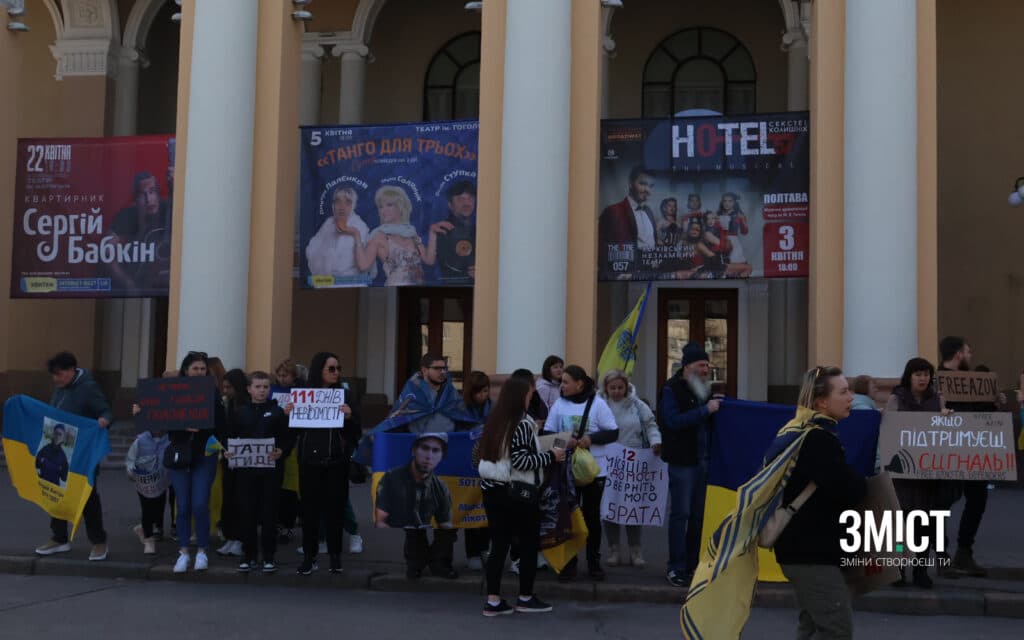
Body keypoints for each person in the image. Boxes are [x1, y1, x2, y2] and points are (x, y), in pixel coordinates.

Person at [770, 366, 867, 640]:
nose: (851, 397)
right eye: (844, 391)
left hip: (806, 550)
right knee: (837, 630)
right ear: (821, 402)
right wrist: (862, 483)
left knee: (811, 628)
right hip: (811, 554)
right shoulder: (817, 439)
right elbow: (846, 488)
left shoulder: (806, 432)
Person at [477, 376, 565, 616]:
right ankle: (525, 597)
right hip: (518, 491)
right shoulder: (522, 423)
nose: (532, 397)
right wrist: (552, 455)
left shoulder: (495, 420)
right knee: (527, 546)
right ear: (521, 397)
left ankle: (493, 601)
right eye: (529, 394)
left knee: (499, 545)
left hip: (492, 489)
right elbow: (522, 461)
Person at [884, 357, 961, 589]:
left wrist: (947, 417)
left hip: (928, 475)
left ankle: (920, 569)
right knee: (900, 525)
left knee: (925, 526)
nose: (923, 378)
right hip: (903, 477)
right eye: (918, 374)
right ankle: (897, 569)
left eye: (926, 374)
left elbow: (944, 433)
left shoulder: (937, 399)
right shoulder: (896, 399)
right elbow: (889, 430)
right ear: (909, 376)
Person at [543, 365, 619, 581]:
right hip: (566, 470)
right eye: (562, 382)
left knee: (591, 516)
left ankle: (594, 562)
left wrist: (590, 440)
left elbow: (613, 432)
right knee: (568, 517)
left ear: (580, 384)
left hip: (595, 471)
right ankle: (569, 563)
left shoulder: (598, 404)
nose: (562, 386)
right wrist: (565, 441)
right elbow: (548, 433)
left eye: (566, 382)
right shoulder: (559, 404)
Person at [34, 352, 112, 561]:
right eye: (54, 375)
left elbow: (105, 411)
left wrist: (104, 420)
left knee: (87, 496)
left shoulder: (88, 387)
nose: (55, 379)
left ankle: (98, 542)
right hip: (60, 447)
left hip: (83, 452)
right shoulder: (60, 389)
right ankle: (59, 538)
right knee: (55, 491)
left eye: (59, 374)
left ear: (71, 371)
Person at [291, 351, 360, 575]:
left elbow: (355, 432)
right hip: (309, 461)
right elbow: (294, 430)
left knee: (335, 510)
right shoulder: (304, 395)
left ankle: (335, 556)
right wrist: (287, 414)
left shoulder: (345, 395)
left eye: (338, 368)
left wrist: (349, 418)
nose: (336, 372)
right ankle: (310, 556)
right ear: (319, 370)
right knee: (309, 511)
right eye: (331, 368)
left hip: (335, 461)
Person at [658, 342, 719, 587]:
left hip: (703, 460)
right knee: (680, 514)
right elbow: (672, 421)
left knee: (697, 516)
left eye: (707, 365)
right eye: (701, 365)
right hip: (683, 461)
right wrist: (706, 411)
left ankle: (693, 565)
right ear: (687, 366)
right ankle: (676, 567)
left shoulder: (704, 390)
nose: (706, 369)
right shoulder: (671, 389)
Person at [224, 371, 294, 574]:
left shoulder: (278, 412)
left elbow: (287, 438)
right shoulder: (239, 413)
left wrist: (282, 450)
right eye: (258, 387)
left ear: (269, 389)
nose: (262, 390)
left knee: (269, 513)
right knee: (247, 513)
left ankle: (269, 557)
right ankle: (248, 556)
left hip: (271, 472)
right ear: (249, 389)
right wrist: (228, 451)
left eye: (265, 387)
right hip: (246, 472)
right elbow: (229, 436)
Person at [165, 351, 225, 573]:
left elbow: (221, 425)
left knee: (200, 504)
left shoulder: (213, 393)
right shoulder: (172, 393)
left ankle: (202, 550)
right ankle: (183, 551)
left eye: (202, 369)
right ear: (186, 371)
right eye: (195, 369)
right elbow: (160, 420)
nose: (199, 372)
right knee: (183, 506)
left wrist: (218, 442)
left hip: (204, 456)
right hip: (180, 455)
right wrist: (141, 411)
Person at [598, 369, 662, 567]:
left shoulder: (637, 405)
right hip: (609, 461)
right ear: (606, 389)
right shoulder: (600, 405)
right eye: (612, 388)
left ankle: (635, 550)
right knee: (611, 506)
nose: (616, 391)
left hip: (634, 460)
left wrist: (655, 441)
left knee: (632, 506)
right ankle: (614, 549)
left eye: (620, 387)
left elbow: (651, 424)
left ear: (626, 387)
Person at [937, 336, 989, 577]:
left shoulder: (974, 382)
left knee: (977, 498)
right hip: (947, 452)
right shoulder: (936, 380)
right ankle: (942, 557)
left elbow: (982, 413)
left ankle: (964, 552)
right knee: (941, 504)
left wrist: (994, 402)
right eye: (967, 351)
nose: (970, 355)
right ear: (958, 353)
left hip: (971, 451)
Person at [375, 433, 458, 579]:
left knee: (447, 531)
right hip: (407, 524)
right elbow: (381, 520)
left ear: (442, 456)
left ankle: (440, 563)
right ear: (413, 450)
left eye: (435, 451)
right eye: (424, 448)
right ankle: (416, 563)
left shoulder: (440, 487)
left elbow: (446, 523)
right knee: (412, 528)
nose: (429, 456)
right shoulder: (392, 478)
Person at [341, 185, 449, 286]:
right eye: (381, 207)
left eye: (389, 205)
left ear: (400, 207)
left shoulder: (411, 233)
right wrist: (357, 236)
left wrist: (432, 233)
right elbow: (363, 266)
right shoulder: (379, 235)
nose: (383, 210)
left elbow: (429, 260)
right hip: (395, 292)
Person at [106, 171, 171, 292]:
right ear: (135, 199)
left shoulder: (169, 207)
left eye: (152, 192)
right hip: (141, 280)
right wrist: (127, 282)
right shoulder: (127, 214)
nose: (148, 199)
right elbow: (107, 251)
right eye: (142, 195)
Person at [304, 185, 375, 284]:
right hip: (326, 282)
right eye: (338, 201)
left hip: (351, 284)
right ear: (333, 205)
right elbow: (311, 251)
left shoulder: (360, 226)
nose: (342, 207)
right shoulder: (329, 223)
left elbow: (363, 266)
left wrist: (354, 232)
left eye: (347, 202)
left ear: (353, 205)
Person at [598, 165, 657, 278]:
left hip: (649, 273)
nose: (647, 190)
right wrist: (614, 275)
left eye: (651, 186)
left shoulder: (649, 211)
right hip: (625, 276)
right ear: (630, 183)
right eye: (643, 184)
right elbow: (599, 248)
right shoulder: (612, 211)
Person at [215, 369, 249, 558]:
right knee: (228, 498)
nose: (225, 391)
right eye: (224, 387)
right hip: (228, 457)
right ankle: (230, 537)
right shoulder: (227, 405)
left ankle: (240, 538)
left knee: (240, 500)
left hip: (244, 459)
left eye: (229, 387)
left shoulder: (245, 406)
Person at [271, 358, 304, 544]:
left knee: (289, 488)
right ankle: (277, 523)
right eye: (280, 375)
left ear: (294, 377)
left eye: (286, 375)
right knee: (276, 487)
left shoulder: (299, 393)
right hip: (274, 441)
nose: (282, 378)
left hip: (293, 443)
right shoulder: (272, 391)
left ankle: (288, 525)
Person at [463, 371, 492, 570]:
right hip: (467, 467)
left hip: (489, 465)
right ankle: (472, 552)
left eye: (486, 391)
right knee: (469, 508)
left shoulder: (493, 407)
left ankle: (485, 548)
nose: (484, 395)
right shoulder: (461, 409)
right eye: (480, 392)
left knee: (487, 508)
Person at [125, 427, 170, 555]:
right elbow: (130, 459)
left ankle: (143, 528)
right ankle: (149, 539)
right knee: (147, 509)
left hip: (161, 483)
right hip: (144, 483)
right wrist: (130, 470)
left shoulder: (169, 440)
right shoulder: (140, 441)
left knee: (159, 509)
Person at [435, 179, 477, 284]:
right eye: (460, 199)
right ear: (450, 205)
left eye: (470, 198)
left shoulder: (480, 230)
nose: (467, 203)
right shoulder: (440, 229)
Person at [716, 192, 753, 277]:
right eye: (725, 201)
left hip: (734, 242)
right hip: (720, 241)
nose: (727, 203)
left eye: (730, 201)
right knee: (724, 267)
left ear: (734, 202)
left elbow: (744, 232)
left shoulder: (739, 215)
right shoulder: (718, 214)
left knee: (739, 267)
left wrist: (743, 220)